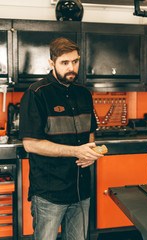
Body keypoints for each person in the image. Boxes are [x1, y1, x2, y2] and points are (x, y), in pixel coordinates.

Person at [19, 37, 103, 240]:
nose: (71, 67)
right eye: (65, 63)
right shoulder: (36, 93)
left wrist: (90, 153)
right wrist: (76, 151)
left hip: (81, 190)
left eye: (75, 61)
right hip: (50, 192)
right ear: (52, 63)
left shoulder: (84, 93)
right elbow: (30, 144)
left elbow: (90, 132)